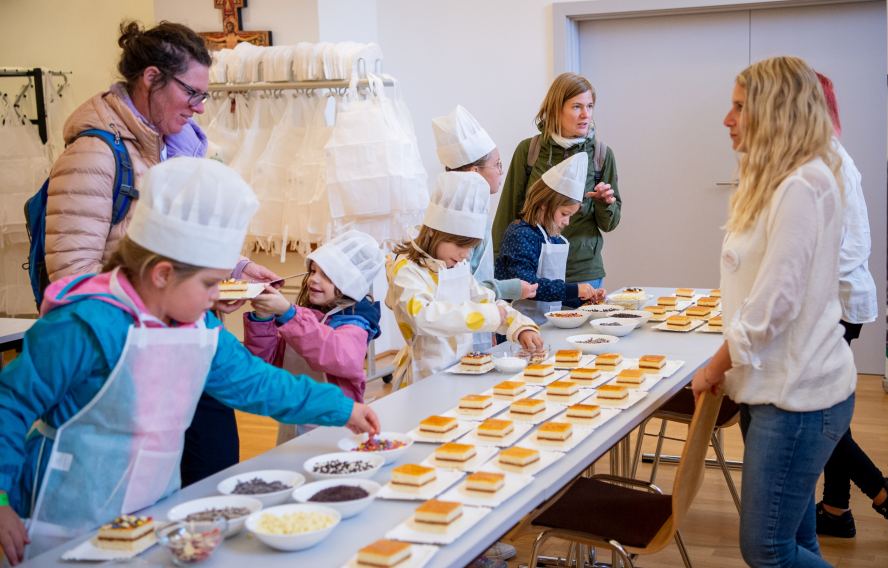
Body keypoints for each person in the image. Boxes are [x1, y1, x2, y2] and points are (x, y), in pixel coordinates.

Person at [0, 158, 379, 565]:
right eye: (210, 284)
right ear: (162, 274)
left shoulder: (198, 328)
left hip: (151, 519)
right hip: (58, 528)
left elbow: (257, 384)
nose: (217, 296)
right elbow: (10, 404)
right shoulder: (83, 324)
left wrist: (341, 408)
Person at [42, 19, 278, 488]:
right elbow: (72, 278)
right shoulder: (94, 153)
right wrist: (186, 295)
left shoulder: (170, 146)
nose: (199, 108)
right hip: (126, 357)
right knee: (153, 491)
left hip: (179, 341)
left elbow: (175, 238)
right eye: (192, 93)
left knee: (214, 472)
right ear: (151, 78)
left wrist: (233, 269)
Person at [692, 56, 857, 567]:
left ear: (775, 111)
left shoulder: (800, 187)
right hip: (776, 388)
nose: (727, 118)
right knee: (796, 542)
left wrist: (714, 366)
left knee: (766, 548)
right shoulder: (785, 180)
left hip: (797, 399)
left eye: (739, 106)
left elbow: (773, 307)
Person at [814, 72, 888, 547]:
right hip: (838, 302)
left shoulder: (826, 162)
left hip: (833, 305)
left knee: (823, 415)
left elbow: (842, 252)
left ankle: (882, 491)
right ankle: (836, 510)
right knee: (832, 408)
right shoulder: (827, 156)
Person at [386, 172, 542, 387]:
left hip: (463, 367)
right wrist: (490, 316)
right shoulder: (407, 270)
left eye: (471, 248)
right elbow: (423, 316)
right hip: (423, 376)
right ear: (433, 232)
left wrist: (519, 326)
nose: (466, 255)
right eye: (461, 246)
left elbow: (485, 299)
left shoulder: (457, 266)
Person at [244, 230, 385, 444]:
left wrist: (290, 315)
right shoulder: (302, 317)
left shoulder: (355, 322)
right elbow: (264, 362)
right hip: (293, 418)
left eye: (327, 275)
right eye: (312, 271)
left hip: (335, 426)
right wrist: (262, 319)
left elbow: (338, 355)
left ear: (349, 282)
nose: (313, 279)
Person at [491, 73, 620, 296]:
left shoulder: (601, 155)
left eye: (590, 106)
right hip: (533, 267)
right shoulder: (529, 151)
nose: (585, 115)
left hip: (583, 270)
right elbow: (508, 212)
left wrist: (605, 204)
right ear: (556, 109)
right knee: (534, 330)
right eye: (577, 106)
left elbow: (610, 224)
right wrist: (496, 271)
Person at [431, 105, 538, 352]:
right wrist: (508, 290)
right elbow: (460, 289)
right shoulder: (457, 228)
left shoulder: (478, 216)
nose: (501, 172)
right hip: (451, 335)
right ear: (474, 172)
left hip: (481, 316)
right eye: (497, 165)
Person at [496, 153, 607, 324]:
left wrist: (583, 299)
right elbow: (528, 287)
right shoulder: (520, 235)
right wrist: (574, 289)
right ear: (544, 204)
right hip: (515, 326)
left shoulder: (553, 238)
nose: (567, 222)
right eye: (564, 214)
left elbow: (554, 295)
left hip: (545, 326)